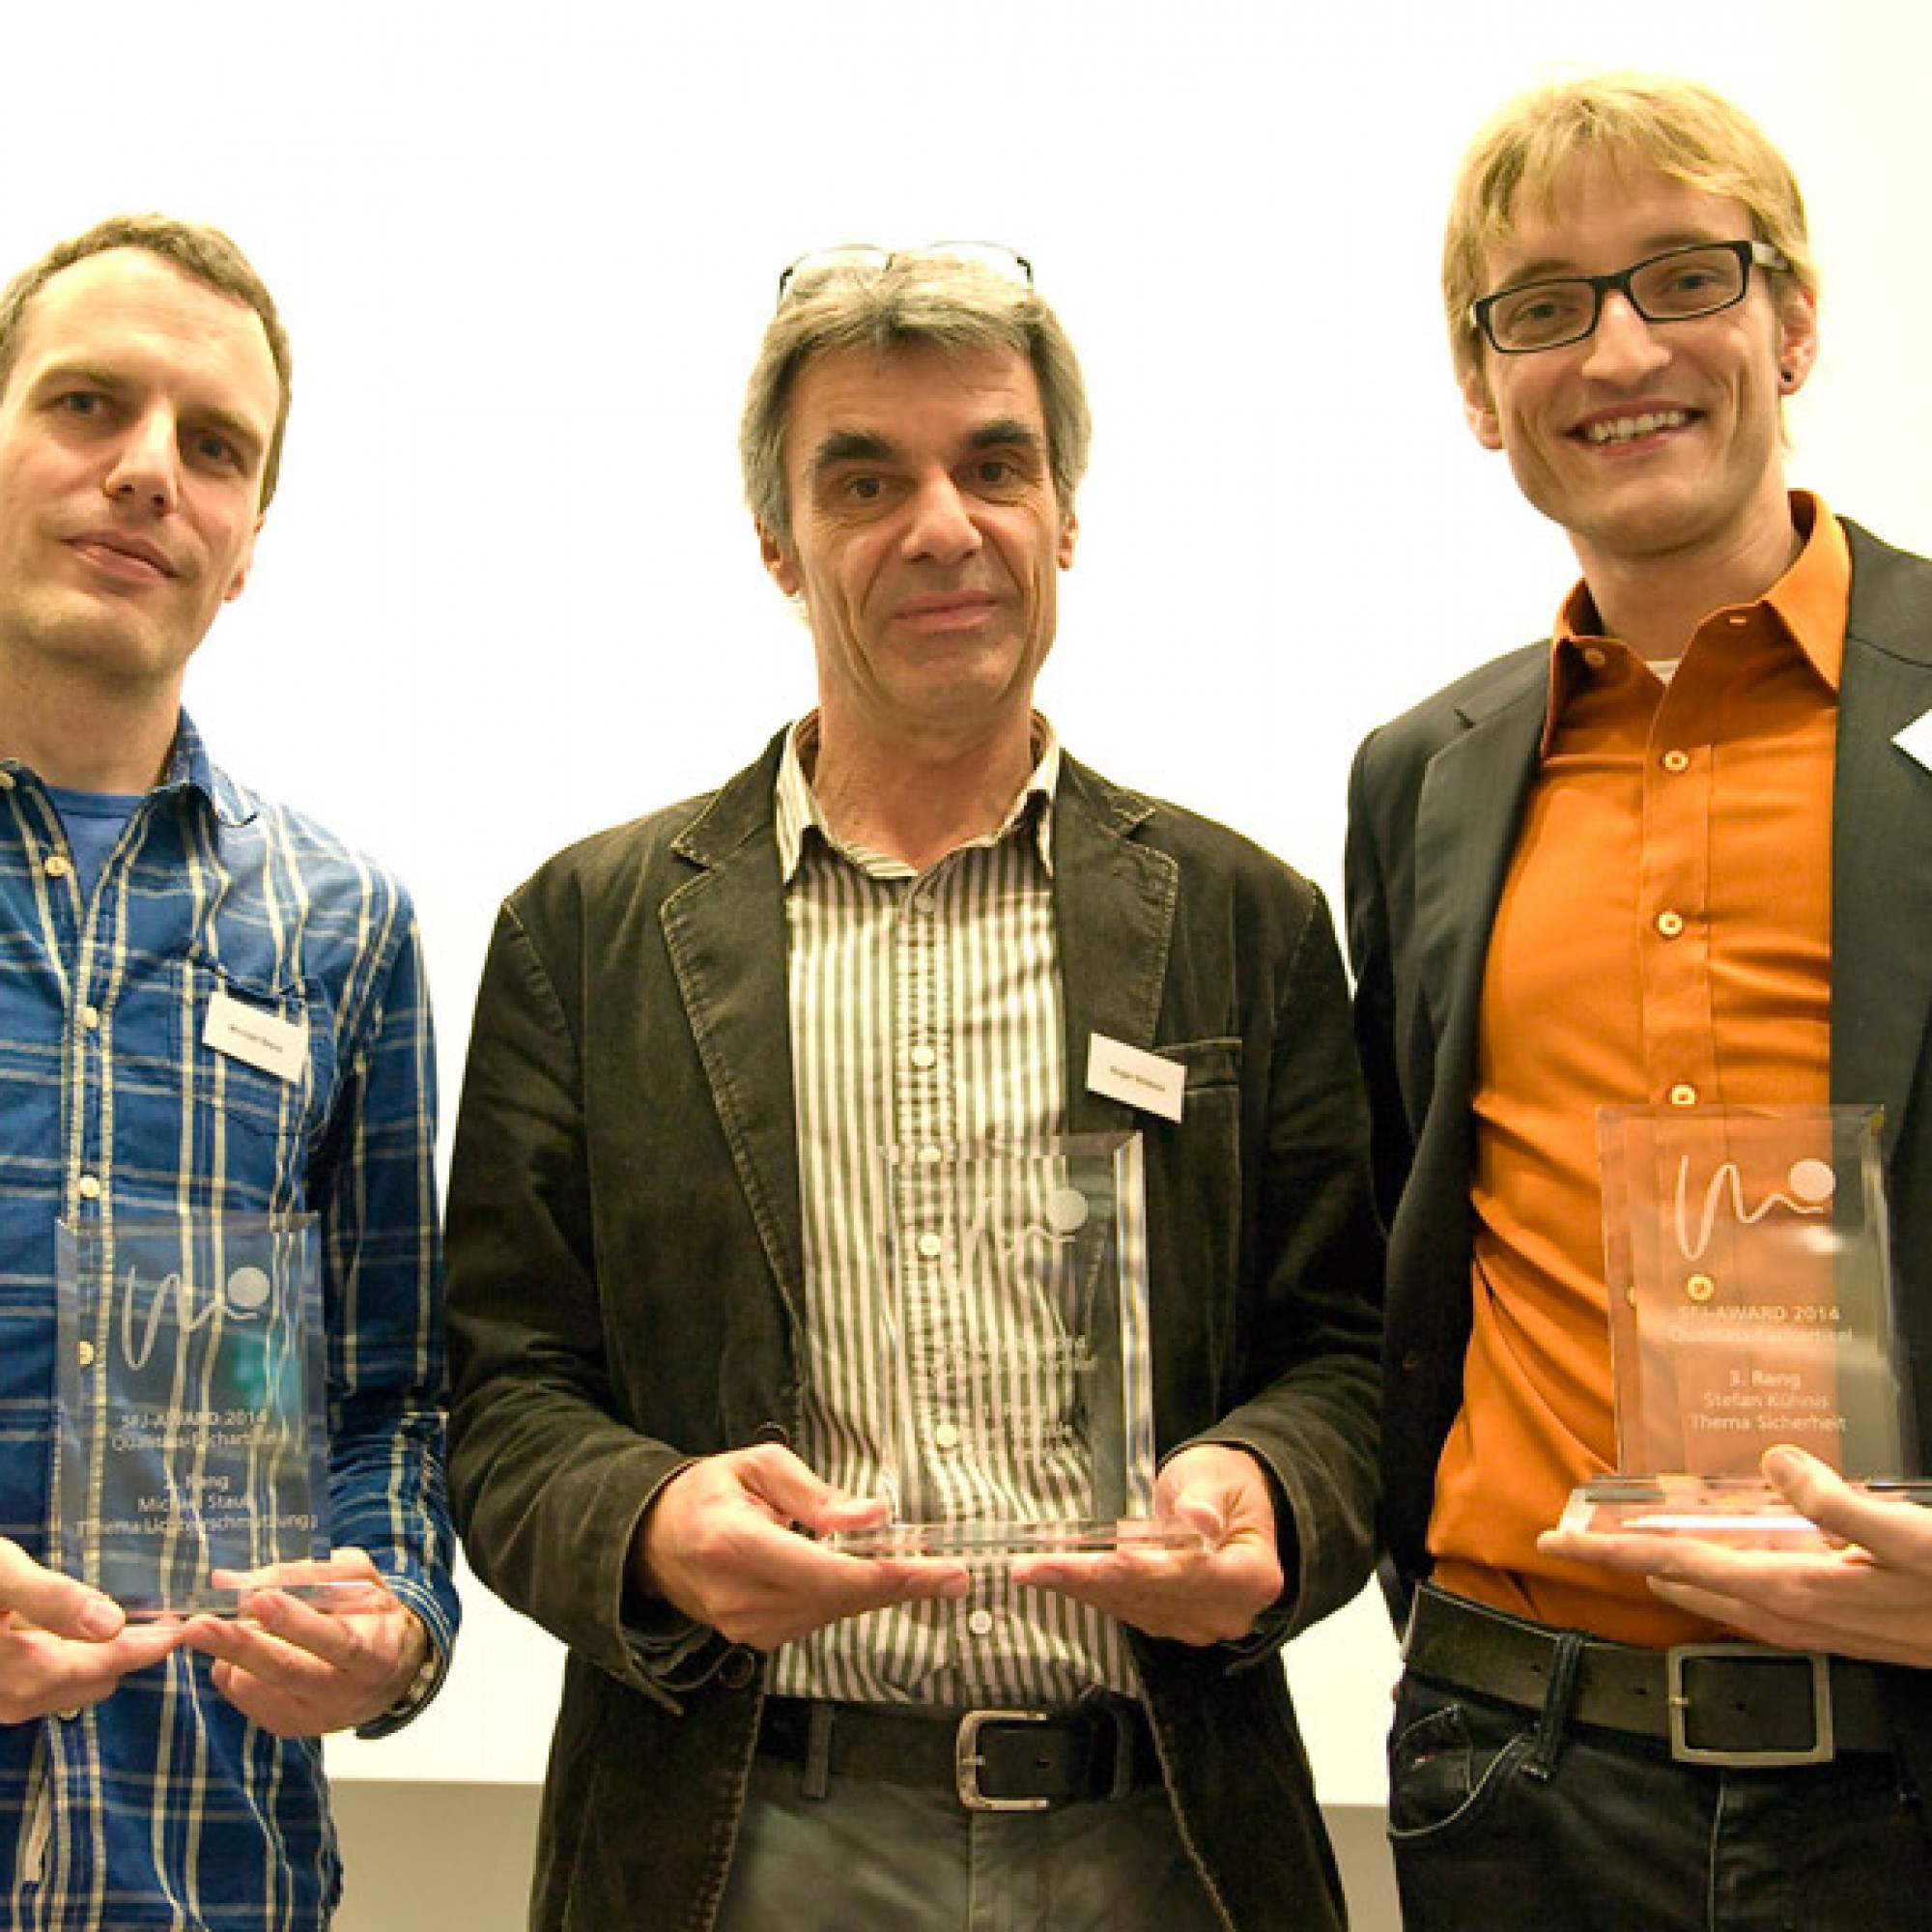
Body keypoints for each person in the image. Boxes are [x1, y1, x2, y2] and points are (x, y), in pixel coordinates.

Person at [444, 243, 1382, 1932]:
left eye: (996, 466)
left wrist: (1269, 1491)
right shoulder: (587, 934)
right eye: (866, 478)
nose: (944, 524)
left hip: (1166, 1834)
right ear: (779, 546)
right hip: (737, 1841)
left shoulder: (1248, 921)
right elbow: (503, 1396)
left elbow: (1351, 1359)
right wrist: (655, 1523)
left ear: (1066, 515)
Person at [1346, 72, 1932, 1929]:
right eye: (1541, 306)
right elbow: (1394, 1230)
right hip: (1515, 1764)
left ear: (1796, 318)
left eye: (1684, 276)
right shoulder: (1421, 778)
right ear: (1479, 386)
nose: (1618, 350)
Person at [0, 214, 459, 1929]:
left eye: (212, 447)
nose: (145, 475)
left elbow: (387, 1403)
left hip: (203, 1872)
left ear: (249, 538)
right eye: (86, 407)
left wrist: (395, 1617)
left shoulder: (342, 932)